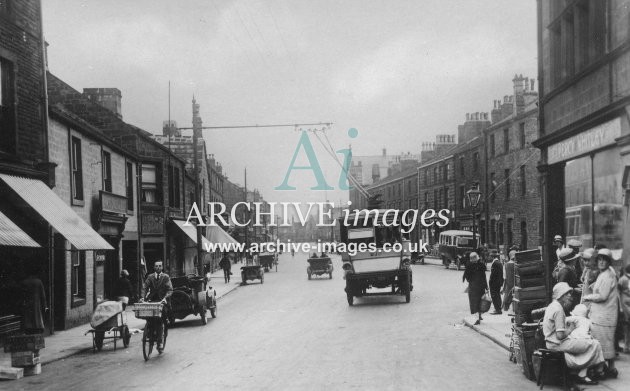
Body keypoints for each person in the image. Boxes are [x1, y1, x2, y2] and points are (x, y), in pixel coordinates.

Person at [543, 282, 605, 385]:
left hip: (551, 342)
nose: (569, 296)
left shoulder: (552, 306)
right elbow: (560, 336)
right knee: (595, 344)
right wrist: (570, 329)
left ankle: (578, 371)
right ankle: (582, 373)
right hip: (557, 344)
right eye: (567, 293)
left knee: (587, 343)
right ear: (561, 295)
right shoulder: (558, 310)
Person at [582, 249, 620, 378]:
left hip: (604, 316)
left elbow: (603, 296)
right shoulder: (605, 274)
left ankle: (600, 371)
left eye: (604, 259)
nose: (601, 262)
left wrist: (588, 297)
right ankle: (610, 369)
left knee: (602, 343)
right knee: (606, 343)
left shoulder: (608, 275)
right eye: (599, 259)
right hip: (604, 316)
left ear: (609, 262)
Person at [140, 260, 173, 353]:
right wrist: (142, 298)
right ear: (154, 267)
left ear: (162, 267)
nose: (158, 268)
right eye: (156, 266)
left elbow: (170, 290)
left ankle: (160, 341)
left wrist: (165, 298)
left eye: (159, 266)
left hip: (163, 301)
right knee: (149, 317)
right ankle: (149, 332)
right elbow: (144, 287)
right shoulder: (150, 277)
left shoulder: (166, 277)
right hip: (152, 300)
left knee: (161, 319)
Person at [20, 264, 48, 334]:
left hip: (27, 304)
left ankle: (28, 329)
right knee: (37, 318)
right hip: (36, 305)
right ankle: (37, 329)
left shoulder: (24, 282)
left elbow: (22, 296)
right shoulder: (38, 282)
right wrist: (45, 306)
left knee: (28, 320)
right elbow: (43, 296)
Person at [463, 252, 488, 325]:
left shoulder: (469, 266)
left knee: (474, 302)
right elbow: (484, 277)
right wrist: (486, 286)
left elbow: (466, 276)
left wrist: (470, 281)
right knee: (481, 301)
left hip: (473, 286)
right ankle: (479, 316)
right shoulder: (482, 265)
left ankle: (477, 318)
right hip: (481, 286)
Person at [618, 264, 630, 353]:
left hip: (625, 303)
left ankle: (626, 346)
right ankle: (626, 346)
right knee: (626, 326)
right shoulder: (623, 279)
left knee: (626, 326)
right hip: (625, 304)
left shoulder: (622, 279)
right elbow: (618, 291)